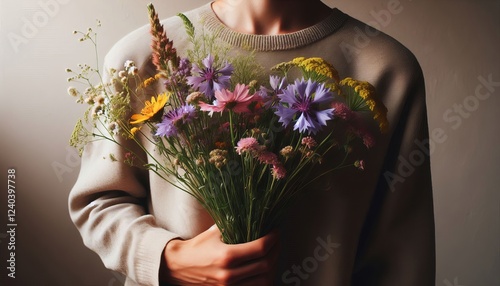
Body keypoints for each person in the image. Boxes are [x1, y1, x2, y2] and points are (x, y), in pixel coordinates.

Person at [69, 0, 435, 285]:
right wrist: (166, 259)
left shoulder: (386, 70)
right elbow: (99, 202)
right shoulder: (141, 61)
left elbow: (402, 257)